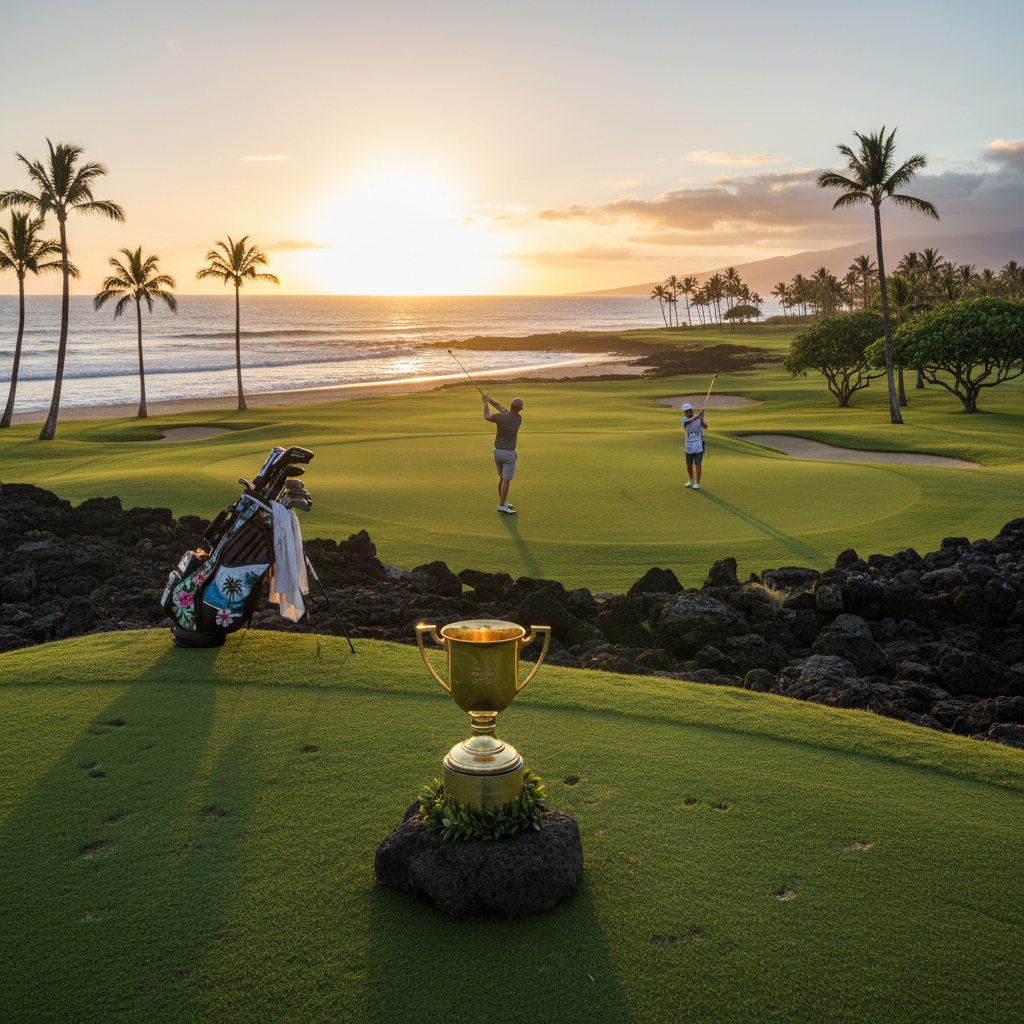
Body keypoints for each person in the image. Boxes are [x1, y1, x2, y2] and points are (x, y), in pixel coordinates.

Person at [481, 393, 523, 514]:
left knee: (502, 478)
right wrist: (489, 400)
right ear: (521, 409)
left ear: (511, 406)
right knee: (506, 480)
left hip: (497, 451)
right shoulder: (518, 419)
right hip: (508, 454)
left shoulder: (501, 417)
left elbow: (487, 416)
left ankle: (502, 503)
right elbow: (502, 409)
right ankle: (501, 505)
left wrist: (486, 403)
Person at [681, 402, 707, 490]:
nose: (688, 414)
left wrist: (702, 419)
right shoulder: (684, 420)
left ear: (692, 411)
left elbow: (705, 426)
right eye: (686, 412)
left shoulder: (699, 417)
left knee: (698, 464)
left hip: (699, 444)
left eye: (689, 411)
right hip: (688, 445)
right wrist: (697, 417)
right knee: (689, 464)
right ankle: (691, 480)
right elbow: (689, 421)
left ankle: (697, 482)